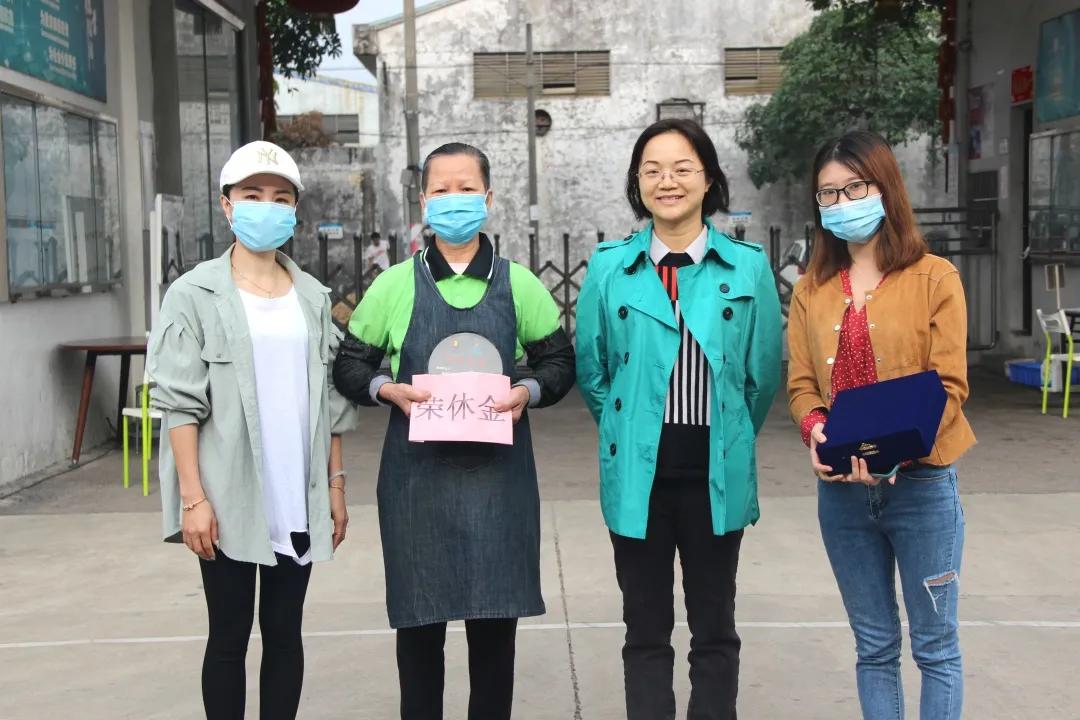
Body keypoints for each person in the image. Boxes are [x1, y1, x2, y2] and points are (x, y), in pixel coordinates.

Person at [333, 142, 576, 720]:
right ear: (423, 201)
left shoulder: (521, 285)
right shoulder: (394, 285)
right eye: (440, 189)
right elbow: (350, 365)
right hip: (417, 487)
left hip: (500, 484)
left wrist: (527, 391)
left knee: (495, 635)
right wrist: (385, 390)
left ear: (488, 198)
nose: (453, 199)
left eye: (466, 188)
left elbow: (560, 364)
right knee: (420, 634)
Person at [575, 118, 783, 719]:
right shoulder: (612, 267)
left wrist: (732, 432)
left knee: (715, 628)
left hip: (717, 475)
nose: (667, 181)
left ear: (710, 179)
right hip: (637, 478)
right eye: (652, 170)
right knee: (645, 631)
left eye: (683, 168)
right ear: (637, 184)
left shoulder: (746, 267)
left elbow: (760, 375)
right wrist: (628, 428)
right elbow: (594, 373)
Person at [148, 140, 358, 720]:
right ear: (227, 206)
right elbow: (179, 405)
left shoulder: (314, 298)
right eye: (252, 195)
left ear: (295, 210)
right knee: (229, 635)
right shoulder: (193, 295)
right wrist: (194, 498)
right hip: (225, 493)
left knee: (285, 636)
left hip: (297, 493)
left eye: (281, 197)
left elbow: (333, 404)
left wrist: (335, 488)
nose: (267, 206)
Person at [787, 130, 976, 720]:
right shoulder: (810, 290)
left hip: (921, 487)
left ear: (885, 188)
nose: (842, 203)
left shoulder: (935, 277)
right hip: (841, 494)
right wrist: (816, 427)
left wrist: (893, 447)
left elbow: (950, 384)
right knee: (874, 647)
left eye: (854, 187)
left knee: (936, 649)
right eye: (828, 195)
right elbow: (800, 386)